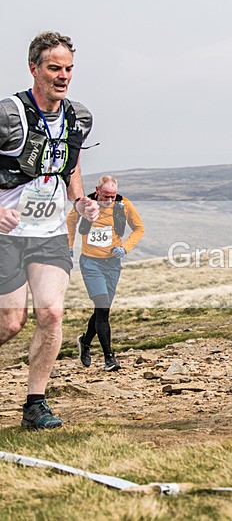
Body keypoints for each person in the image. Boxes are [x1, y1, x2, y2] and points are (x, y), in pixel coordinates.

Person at [0, 31, 99, 429]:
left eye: (69, 69)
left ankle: (34, 405)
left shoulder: (78, 116)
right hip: (7, 234)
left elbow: (69, 160)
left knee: (52, 313)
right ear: (34, 69)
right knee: (10, 323)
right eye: (54, 68)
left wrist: (79, 200)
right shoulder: (9, 116)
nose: (63, 76)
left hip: (50, 231)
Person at [67, 175, 144, 371]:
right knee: (102, 307)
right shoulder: (85, 204)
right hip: (91, 263)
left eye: (113, 196)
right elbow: (70, 222)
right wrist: (68, 247)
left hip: (112, 265)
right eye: (105, 196)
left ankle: (85, 341)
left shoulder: (123, 205)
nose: (109, 200)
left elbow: (138, 229)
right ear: (97, 190)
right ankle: (109, 358)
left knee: (103, 310)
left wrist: (125, 248)